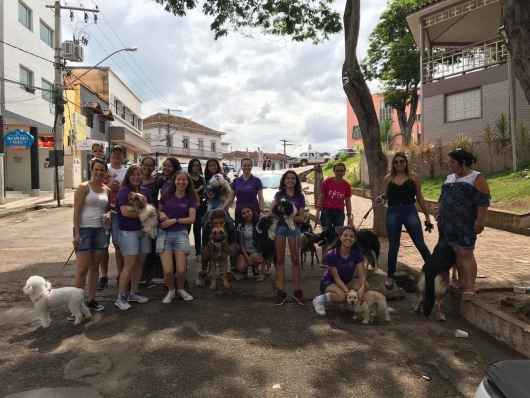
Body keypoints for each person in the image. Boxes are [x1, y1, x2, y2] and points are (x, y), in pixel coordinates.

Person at [435, 148, 490, 301]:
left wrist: (480, 220)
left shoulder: (476, 178)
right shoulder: (450, 178)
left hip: (466, 224)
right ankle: (461, 282)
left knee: (466, 253)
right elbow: (442, 197)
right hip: (448, 224)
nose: (449, 165)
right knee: (457, 252)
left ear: (463, 162)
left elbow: (483, 201)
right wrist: (438, 208)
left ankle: (470, 287)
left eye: (453, 162)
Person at [375, 152, 432, 290]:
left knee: (419, 243)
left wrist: (427, 216)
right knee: (393, 246)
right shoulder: (388, 178)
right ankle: (390, 276)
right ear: (393, 164)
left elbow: (419, 197)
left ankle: (434, 270)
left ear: (406, 162)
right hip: (393, 212)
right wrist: (381, 197)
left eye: (402, 161)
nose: (399, 164)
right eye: (396, 162)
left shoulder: (414, 177)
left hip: (410, 211)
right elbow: (387, 195)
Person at [70, 159, 111, 319]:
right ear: (91, 169)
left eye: (102, 170)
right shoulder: (83, 187)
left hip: (100, 231)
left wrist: (107, 216)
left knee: (95, 266)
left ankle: (92, 299)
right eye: (97, 169)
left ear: (105, 171)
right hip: (84, 231)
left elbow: (107, 210)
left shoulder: (107, 189)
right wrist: (77, 233)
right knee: (82, 269)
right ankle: (76, 305)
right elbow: (77, 211)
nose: (99, 172)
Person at [114, 165, 153, 310]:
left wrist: (148, 213)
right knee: (129, 264)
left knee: (139, 264)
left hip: (144, 231)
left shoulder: (144, 191)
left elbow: (152, 207)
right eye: (133, 174)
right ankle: (121, 296)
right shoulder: (124, 191)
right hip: (128, 232)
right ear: (128, 176)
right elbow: (125, 213)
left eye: (139, 175)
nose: (136, 177)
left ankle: (133, 292)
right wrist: (145, 213)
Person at [157, 171, 199, 304]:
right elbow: (158, 210)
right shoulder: (166, 195)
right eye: (178, 180)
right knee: (168, 271)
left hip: (181, 234)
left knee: (181, 270)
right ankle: (171, 291)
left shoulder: (191, 198)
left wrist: (174, 220)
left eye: (184, 180)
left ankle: (180, 289)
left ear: (188, 182)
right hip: (164, 234)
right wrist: (161, 214)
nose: (181, 182)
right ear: (174, 181)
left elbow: (192, 219)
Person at [269, 170, 307, 306]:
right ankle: (281, 291)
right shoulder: (279, 195)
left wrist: (288, 217)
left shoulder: (300, 196)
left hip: (293, 229)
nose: (290, 180)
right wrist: (282, 217)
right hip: (279, 228)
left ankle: (297, 291)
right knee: (279, 259)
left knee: (295, 259)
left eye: (293, 178)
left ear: (296, 181)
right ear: (284, 181)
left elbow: (301, 218)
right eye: (288, 178)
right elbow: (270, 213)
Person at [313, 226, 369, 316]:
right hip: (329, 282)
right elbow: (337, 278)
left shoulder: (357, 253)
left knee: (365, 285)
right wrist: (349, 293)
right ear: (340, 237)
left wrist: (362, 289)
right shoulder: (331, 254)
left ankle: (347, 303)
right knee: (342, 296)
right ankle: (318, 299)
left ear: (355, 239)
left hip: (345, 282)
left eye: (351, 236)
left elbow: (362, 275)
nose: (348, 238)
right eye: (345, 235)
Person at [97, 145, 127, 290]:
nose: (116, 155)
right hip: (101, 211)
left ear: (123, 156)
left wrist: (120, 188)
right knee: (103, 245)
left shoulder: (126, 171)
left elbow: (131, 188)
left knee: (118, 244)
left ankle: (120, 274)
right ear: (110, 155)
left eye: (119, 153)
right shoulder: (103, 168)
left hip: (117, 212)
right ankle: (103, 276)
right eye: (114, 153)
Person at [315, 162, 354, 267]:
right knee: (326, 235)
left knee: (338, 236)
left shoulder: (346, 185)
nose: (339, 172)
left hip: (339, 212)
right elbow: (321, 196)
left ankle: (335, 258)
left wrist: (349, 216)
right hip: (327, 211)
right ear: (334, 171)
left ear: (344, 172)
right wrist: (318, 211)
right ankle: (324, 258)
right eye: (337, 171)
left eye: (341, 170)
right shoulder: (327, 182)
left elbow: (348, 201)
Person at [195, 209, 237, 287]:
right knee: (207, 252)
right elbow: (205, 254)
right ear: (212, 223)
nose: (218, 226)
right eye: (215, 223)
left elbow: (232, 252)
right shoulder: (207, 227)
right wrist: (210, 246)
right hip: (207, 218)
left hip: (226, 232)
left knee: (227, 253)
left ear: (225, 221)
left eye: (221, 223)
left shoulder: (230, 226)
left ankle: (233, 268)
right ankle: (204, 271)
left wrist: (225, 244)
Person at [140, 156, 165, 288]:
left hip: (152, 217)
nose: (148, 167)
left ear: (154, 168)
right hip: (137, 218)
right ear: (141, 165)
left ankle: (149, 277)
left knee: (150, 248)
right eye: (145, 165)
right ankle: (137, 277)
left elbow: (168, 190)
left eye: (151, 165)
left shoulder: (158, 180)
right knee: (138, 248)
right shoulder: (135, 179)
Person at [222, 157, 265, 225]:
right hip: (240, 212)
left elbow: (261, 197)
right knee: (239, 234)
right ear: (241, 167)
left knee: (254, 234)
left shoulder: (257, 180)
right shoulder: (236, 181)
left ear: (251, 166)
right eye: (244, 165)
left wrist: (262, 211)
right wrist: (222, 209)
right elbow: (231, 198)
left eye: (248, 165)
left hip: (253, 212)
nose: (246, 167)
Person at [235, 205, 262, 279]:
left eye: (248, 211)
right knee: (241, 267)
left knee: (258, 257)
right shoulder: (241, 226)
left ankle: (255, 267)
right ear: (241, 215)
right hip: (245, 251)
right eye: (244, 213)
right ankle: (244, 269)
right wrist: (247, 257)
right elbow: (242, 244)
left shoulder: (259, 223)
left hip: (255, 251)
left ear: (252, 211)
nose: (247, 214)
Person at [188, 159, 207, 262]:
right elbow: (188, 194)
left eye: (197, 165)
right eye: (194, 165)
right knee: (186, 230)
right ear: (190, 166)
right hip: (189, 207)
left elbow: (206, 194)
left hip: (200, 207)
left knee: (198, 230)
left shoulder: (202, 179)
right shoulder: (187, 178)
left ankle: (199, 252)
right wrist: (199, 190)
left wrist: (200, 195)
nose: (196, 167)